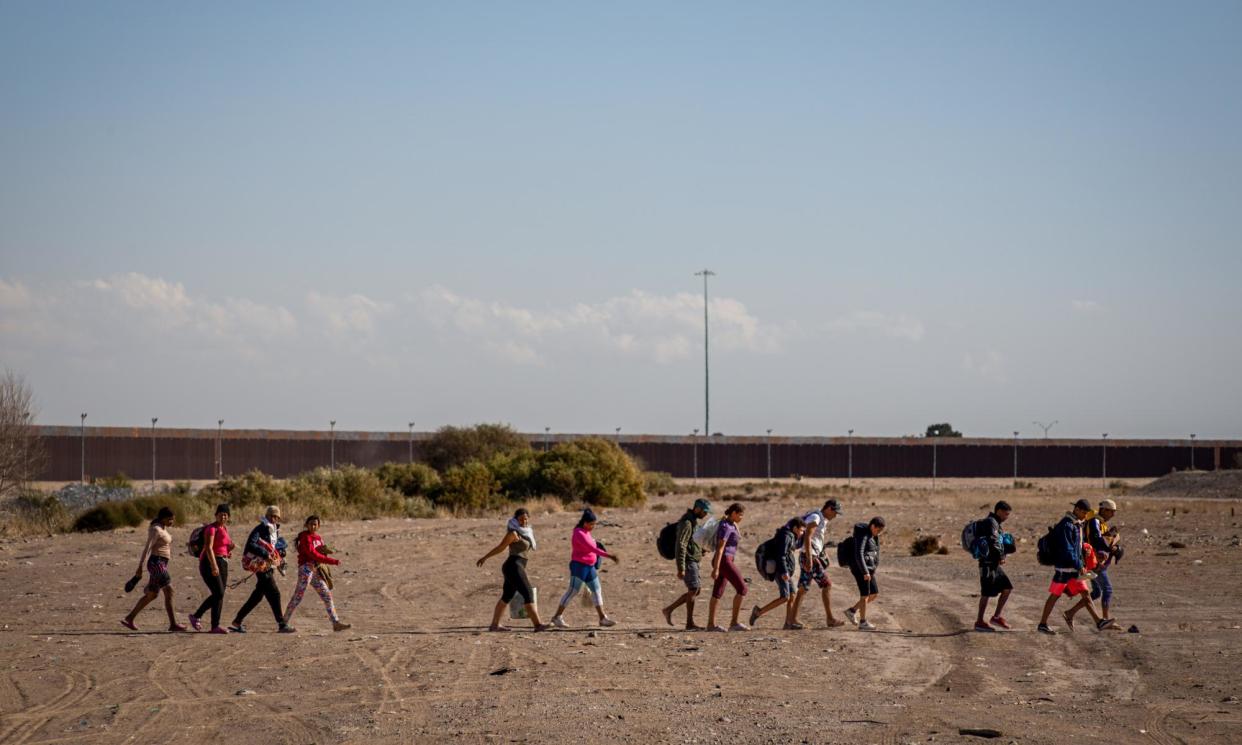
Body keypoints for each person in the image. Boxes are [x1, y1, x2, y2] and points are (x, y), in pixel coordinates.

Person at [1037, 499, 1115, 634]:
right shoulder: (1066, 525)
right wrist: (1080, 566)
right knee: (1055, 595)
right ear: (1077, 510)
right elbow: (1068, 550)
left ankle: (1099, 622)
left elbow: (1077, 547)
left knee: (1085, 593)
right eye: (1083, 512)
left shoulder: (1076, 524)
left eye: (1086, 513)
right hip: (1065, 569)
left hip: (1073, 568)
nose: (1085, 515)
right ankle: (1042, 624)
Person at [477, 508, 550, 632]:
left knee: (507, 596)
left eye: (526, 518)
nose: (524, 521)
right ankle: (538, 625)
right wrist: (485, 557)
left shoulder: (527, 532)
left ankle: (494, 625)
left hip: (516, 566)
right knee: (528, 593)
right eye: (521, 519)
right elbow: (501, 547)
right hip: (513, 566)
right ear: (516, 520)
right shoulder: (514, 533)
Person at [550, 509, 620, 629]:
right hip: (579, 567)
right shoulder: (579, 533)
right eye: (591, 524)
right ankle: (557, 617)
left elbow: (592, 547)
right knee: (573, 591)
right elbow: (592, 548)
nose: (593, 526)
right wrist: (609, 556)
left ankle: (602, 618)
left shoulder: (586, 532)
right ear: (585, 522)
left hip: (589, 567)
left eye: (594, 524)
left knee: (596, 590)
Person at [121, 506, 188, 632]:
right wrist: (140, 567)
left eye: (173, 519)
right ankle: (173, 624)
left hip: (161, 563)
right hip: (156, 563)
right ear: (163, 518)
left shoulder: (163, 528)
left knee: (152, 594)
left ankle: (129, 618)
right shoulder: (155, 529)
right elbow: (147, 549)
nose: (172, 522)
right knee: (169, 591)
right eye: (170, 519)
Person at [229, 505, 294, 634]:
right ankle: (281, 624)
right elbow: (251, 545)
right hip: (260, 566)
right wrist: (265, 554)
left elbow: (274, 546)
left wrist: (280, 553)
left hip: (268, 566)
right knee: (275, 594)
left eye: (276, 517)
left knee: (257, 596)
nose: (274, 519)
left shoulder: (274, 530)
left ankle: (237, 621)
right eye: (272, 516)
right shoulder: (260, 529)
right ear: (267, 515)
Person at [283, 515, 351, 632]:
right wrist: (333, 561)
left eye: (315, 524)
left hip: (315, 570)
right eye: (311, 524)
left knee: (327, 595)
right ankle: (283, 623)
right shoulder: (305, 537)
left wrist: (325, 554)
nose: (313, 526)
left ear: (318, 526)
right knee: (297, 597)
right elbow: (313, 554)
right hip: (305, 569)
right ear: (306, 525)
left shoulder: (318, 538)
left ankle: (335, 623)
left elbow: (320, 554)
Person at [789, 499, 845, 629]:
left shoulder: (821, 520)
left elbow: (816, 540)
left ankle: (792, 620)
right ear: (829, 509)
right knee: (827, 585)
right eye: (835, 512)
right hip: (809, 557)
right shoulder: (815, 517)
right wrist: (809, 558)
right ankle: (830, 619)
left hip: (809, 556)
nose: (835, 516)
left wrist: (823, 554)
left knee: (803, 589)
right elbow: (808, 536)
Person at [661, 498, 712, 630]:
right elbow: (681, 545)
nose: (705, 514)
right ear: (697, 509)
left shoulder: (693, 522)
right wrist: (681, 567)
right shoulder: (687, 523)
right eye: (704, 511)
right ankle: (689, 623)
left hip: (693, 560)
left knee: (696, 590)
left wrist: (701, 550)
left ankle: (669, 610)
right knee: (694, 589)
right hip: (688, 561)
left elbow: (691, 542)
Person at [748, 517, 806, 629]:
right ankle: (758, 612)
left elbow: (793, 548)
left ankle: (788, 623)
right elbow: (781, 555)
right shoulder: (786, 536)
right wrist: (784, 572)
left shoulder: (790, 536)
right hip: (781, 571)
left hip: (785, 570)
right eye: (801, 530)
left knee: (792, 595)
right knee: (785, 597)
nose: (802, 533)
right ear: (795, 528)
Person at [190, 504, 234, 634]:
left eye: (226, 514)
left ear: (228, 517)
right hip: (209, 563)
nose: (223, 516)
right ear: (216, 515)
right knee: (218, 593)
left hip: (223, 562)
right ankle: (196, 616)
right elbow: (209, 548)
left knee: (219, 595)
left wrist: (229, 550)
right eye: (221, 513)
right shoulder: (211, 528)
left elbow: (222, 546)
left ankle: (215, 626)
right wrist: (214, 565)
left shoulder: (224, 528)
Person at [707, 503, 750, 632]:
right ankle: (734, 623)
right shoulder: (726, 526)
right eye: (740, 514)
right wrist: (716, 568)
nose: (742, 517)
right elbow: (720, 548)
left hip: (726, 560)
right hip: (724, 561)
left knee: (718, 591)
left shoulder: (731, 524)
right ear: (734, 513)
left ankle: (710, 625)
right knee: (742, 589)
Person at [973, 501, 1015, 632]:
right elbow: (994, 541)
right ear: (999, 511)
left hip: (994, 564)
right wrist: (1001, 556)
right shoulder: (991, 522)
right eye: (1006, 514)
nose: (1007, 517)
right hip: (987, 564)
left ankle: (996, 617)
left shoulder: (995, 523)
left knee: (1007, 588)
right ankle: (979, 622)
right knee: (986, 592)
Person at [842, 517, 885, 631]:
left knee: (874, 593)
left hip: (869, 569)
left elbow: (875, 552)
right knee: (865, 595)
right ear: (873, 526)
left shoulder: (872, 535)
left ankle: (852, 611)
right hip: (860, 569)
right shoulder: (863, 535)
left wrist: (874, 567)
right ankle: (863, 622)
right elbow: (859, 553)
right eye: (878, 530)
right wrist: (865, 571)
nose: (878, 533)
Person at [1084, 498, 1122, 621]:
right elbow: (1097, 541)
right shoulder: (1094, 521)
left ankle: (1070, 613)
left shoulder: (1101, 522)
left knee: (1096, 593)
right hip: (1094, 562)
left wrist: (1113, 544)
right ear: (1104, 510)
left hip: (1095, 561)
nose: (1113, 514)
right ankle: (1105, 620)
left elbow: (1105, 541)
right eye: (1111, 511)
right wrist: (1111, 544)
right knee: (1108, 589)